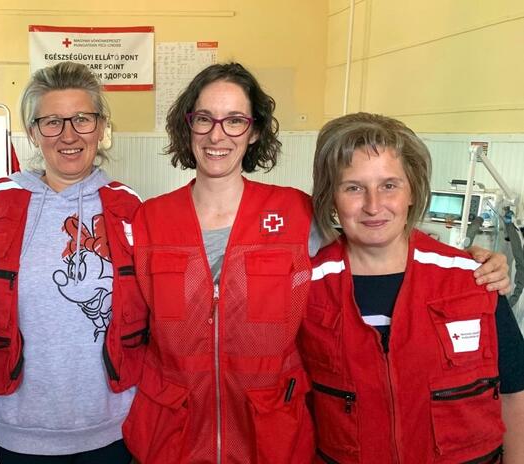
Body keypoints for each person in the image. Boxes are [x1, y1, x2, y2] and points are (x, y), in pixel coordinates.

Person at [124, 63, 512, 464]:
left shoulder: (295, 212)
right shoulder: (148, 219)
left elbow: (371, 242)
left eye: (235, 120)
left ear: (255, 130)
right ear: (187, 125)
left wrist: (466, 262)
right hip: (172, 435)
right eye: (204, 118)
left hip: (270, 436)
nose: (217, 134)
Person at [302, 112, 524, 463]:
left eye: (389, 185)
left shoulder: (472, 278)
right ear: (332, 197)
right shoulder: (304, 290)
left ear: (412, 191)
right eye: (354, 188)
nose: (374, 205)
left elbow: (515, 394)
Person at [0, 62, 148, 463]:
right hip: (17, 430)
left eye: (82, 119)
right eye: (51, 121)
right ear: (33, 132)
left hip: (112, 427)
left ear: (101, 127)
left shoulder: (129, 207)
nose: (68, 135)